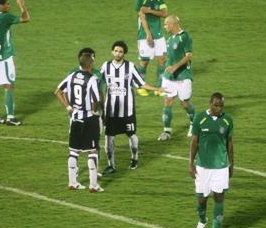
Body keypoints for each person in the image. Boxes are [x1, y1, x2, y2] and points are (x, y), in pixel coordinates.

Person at [100, 41, 165, 174]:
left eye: (120, 51)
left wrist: (156, 88)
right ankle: (111, 165)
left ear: (124, 53)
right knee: (108, 137)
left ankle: (135, 158)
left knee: (131, 134)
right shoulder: (105, 66)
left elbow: (141, 84)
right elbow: (97, 83)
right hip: (110, 111)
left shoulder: (130, 67)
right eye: (116, 51)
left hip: (127, 110)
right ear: (112, 52)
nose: (118, 53)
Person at [189, 92, 234, 228]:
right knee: (201, 199)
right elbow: (194, 142)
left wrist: (231, 164)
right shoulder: (199, 118)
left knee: (219, 198)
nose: (219, 108)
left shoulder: (228, 120)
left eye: (221, 105)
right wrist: (190, 164)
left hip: (220, 167)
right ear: (210, 104)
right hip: (202, 167)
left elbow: (229, 143)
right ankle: (202, 221)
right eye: (216, 105)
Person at [55, 52, 104, 193]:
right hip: (89, 118)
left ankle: (72, 182)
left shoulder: (72, 76)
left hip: (75, 117)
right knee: (92, 151)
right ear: (90, 64)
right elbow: (96, 100)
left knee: (73, 152)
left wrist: (68, 107)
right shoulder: (92, 79)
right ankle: (93, 185)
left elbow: (58, 91)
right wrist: (95, 111)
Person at [157, 15, 195, 141]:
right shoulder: (170, 39)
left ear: (173, 24)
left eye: (166, 24)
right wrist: (165, 64)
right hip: (169, 77)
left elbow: (189, 56)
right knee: (168, 101)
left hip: (183, 76)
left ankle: (193, 123)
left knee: (184, 103)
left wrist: (175, 67)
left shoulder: (184, 37)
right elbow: (171, 57)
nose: (164, 26)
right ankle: (166, 131)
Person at [135, 0, 168, 97]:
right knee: (144, 61)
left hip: (159, 34)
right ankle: (140, 86)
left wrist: (149, 11)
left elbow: (164, 14)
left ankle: (159, 87)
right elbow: (142, 18)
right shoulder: (140, 0)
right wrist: (148, 34)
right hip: (145, 35)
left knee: (162, 60)